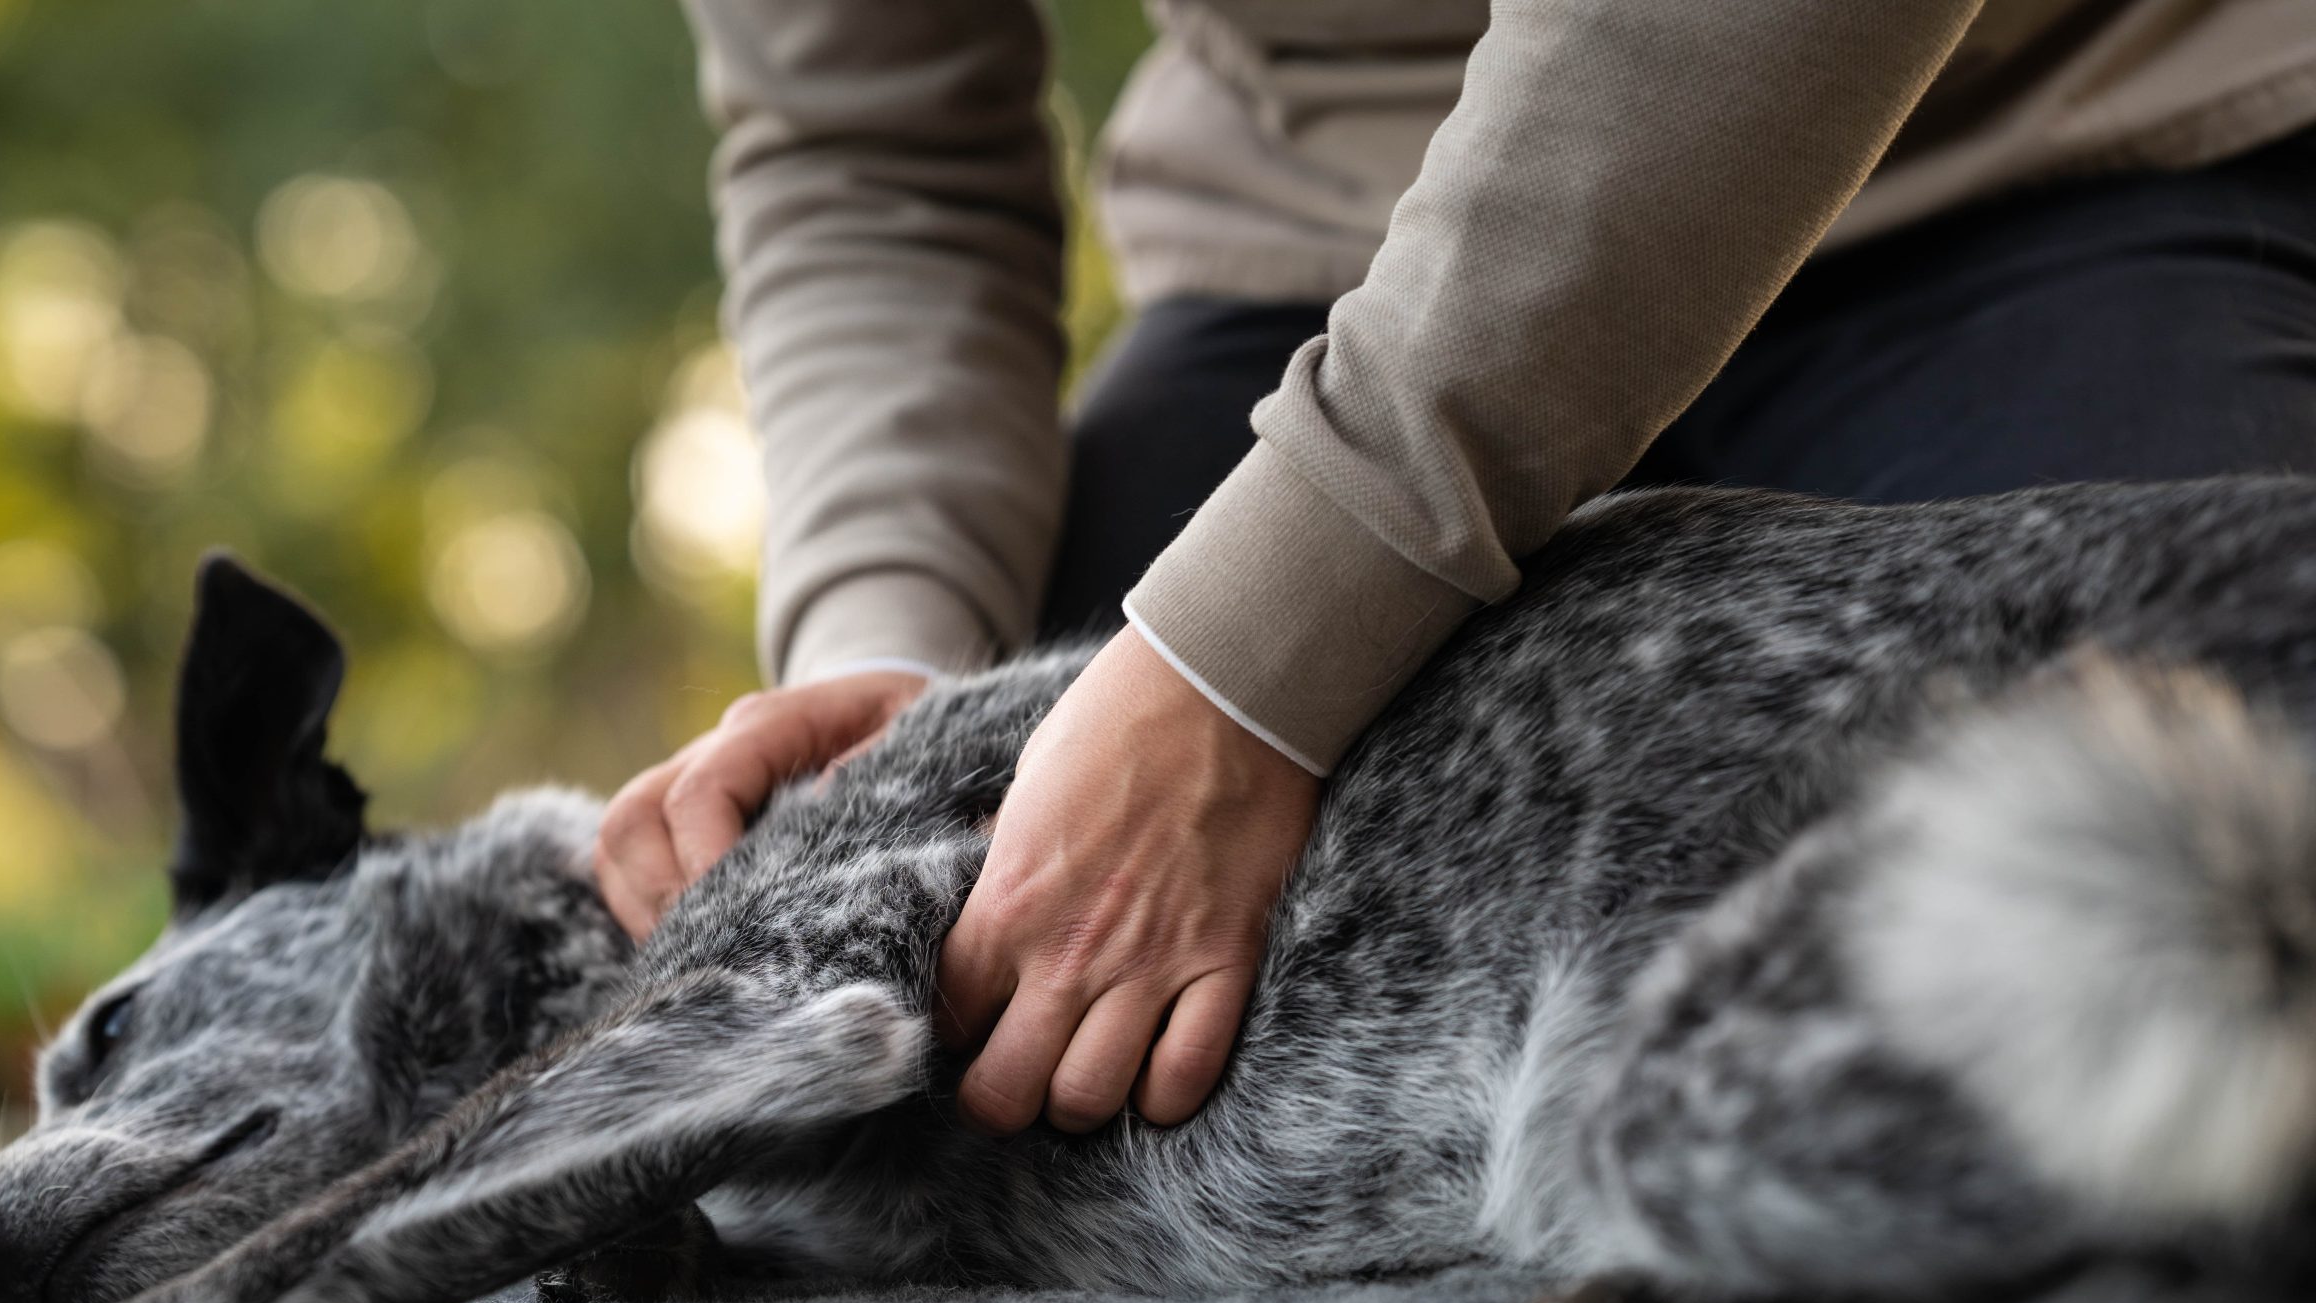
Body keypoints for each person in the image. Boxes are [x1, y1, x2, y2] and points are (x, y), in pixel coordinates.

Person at [597, 0, 2316, 1139]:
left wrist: (1252, 661)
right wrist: (901, 664)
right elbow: (871, 152)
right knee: (963, 1016)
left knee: (2224, 916)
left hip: (2051, 160)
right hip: (1322, 270)